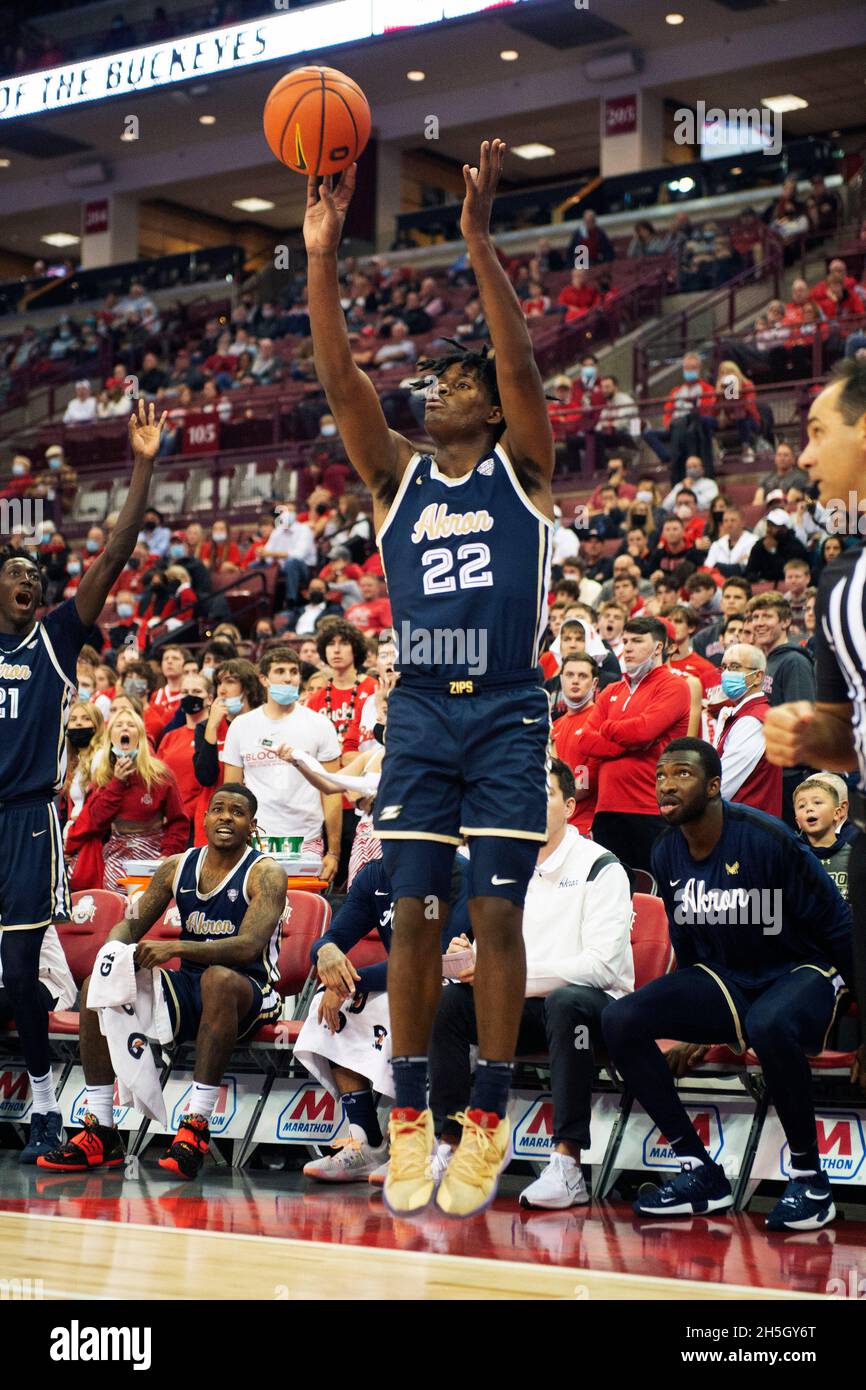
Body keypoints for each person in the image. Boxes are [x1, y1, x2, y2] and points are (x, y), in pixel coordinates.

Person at [304, 139, 555, 1218]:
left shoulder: (525, 466)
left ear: (487, 411)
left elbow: (520, 366)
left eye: (456, 382)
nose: (436, 391)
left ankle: (487, 1116)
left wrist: (475, 237)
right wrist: (319, 259)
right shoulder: (392, 480)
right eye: (436, 380)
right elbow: (341, 375)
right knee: (408, 912)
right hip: (417, 711)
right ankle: (407, 1114)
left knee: (491, 915)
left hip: (505, 706)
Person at [0, 400, 165, 1161]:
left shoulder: (58, 639)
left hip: (27, 821)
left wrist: (142, 466)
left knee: (14, 971)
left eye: (35, 574)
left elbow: (116, 550)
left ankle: (42, 1101)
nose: (27, 581)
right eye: (14, 574)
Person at [605, 738, 852, 1232]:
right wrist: (698, 1027)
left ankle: (810, 1179)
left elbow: (841, 929)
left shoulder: (766, 837)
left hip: (805, 970)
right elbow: (691, 953)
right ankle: (699, 1171)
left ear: (714, 785)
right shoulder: (665, 851)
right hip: (731, 979)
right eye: (660, 777)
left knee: (768, 1021)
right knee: (621, 1017)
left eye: (681, 775)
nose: (666, 786)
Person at [38, 786, 287, 1179]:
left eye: (237, 812)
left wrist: (176, 948)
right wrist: (112, 950)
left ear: (252, 825)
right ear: (202, 819)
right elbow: (132, 923)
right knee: (94, 988)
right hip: (190, 985)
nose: (225, 817)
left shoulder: (266, 872)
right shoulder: (178, 866)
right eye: (217, 809)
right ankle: (101, 1130)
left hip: (250, 989)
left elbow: (249, 946)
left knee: (219, 980)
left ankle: (196, 1125)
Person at [429, 761, 632, 1211]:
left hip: (597, 1012)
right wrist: (471, 956)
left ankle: (567, 1163)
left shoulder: (602, 867)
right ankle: (449, 1144)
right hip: (527, 1007)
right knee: (451, 1003)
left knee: (566, 1003)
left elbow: (600, 967)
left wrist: (505, 976)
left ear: (571, 805)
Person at [569, 616, 691, 874]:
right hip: (606, 810)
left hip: (651, 808)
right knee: (610, 895)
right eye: (625, 641)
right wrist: (629, 741)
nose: (629, 648)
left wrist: (609, 728)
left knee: (656, 894)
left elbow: (644, 732)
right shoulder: (612, 689)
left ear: (659, 647)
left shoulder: (675, 686)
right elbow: (585, 740)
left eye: (637, 641)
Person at [221, 646, 342, 878]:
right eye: (280, 671)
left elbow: (332, 792)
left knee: (303, 913)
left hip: (306, 841)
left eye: (294, 671)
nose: (288, 678)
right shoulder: (241, 726)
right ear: (264, 679)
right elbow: (231, 794)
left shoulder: (320, 724)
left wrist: (334, 852)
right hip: (256, 842)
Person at [67, 707, 188, 890]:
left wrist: (167, 855)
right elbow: (95, 820)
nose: (125, 729)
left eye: (131, 725)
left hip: (153, 851)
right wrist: (117, 782)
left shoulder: (160, 775)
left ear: (139, 736)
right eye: (119, 725)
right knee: (114, 899)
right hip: (117, 850)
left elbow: (178, 822)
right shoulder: (102, 774)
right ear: (110, 737)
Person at [712, 644, 781, 815]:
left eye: (735, 667)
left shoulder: (753, 721)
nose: (727, 673)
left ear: (758, 677)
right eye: (724, 667)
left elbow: (722, 786)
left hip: (746, 825)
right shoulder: (740, 714)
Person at [793, 773, 855, 902]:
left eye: (817, 802)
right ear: (797, 821)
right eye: (802, 805)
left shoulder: (855, 855)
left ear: (838, 812)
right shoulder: (789, 855)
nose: (809, 808)